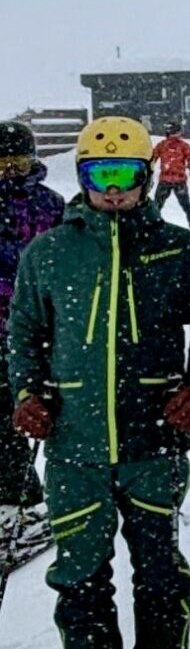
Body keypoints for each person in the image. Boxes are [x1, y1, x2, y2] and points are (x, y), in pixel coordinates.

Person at [7, 116, 190, 649]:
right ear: (82, 178)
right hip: (74, 445)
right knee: (78, 571)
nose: (114, 189)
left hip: (151, 441)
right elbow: (24, 334)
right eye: (100, 175)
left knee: (156, 565)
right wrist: (28, 393)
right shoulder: (49, 252)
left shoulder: (179, 250)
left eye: (126, 174)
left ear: (146, 175)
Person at [0, 121, 65, 550]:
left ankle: (26, 498)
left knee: (22, 410)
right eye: (2, 163)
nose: (9, 172)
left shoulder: (50, 205)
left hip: (34, 328)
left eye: (17, 162)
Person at [150, 121, 190, 231]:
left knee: (160, 205)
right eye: (177, 132)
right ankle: (152, 226)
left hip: (175, 180)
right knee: (162, 205)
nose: (179, 134)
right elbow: (153, 157)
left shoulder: (180, 145)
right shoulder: (165, 145)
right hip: (170, 180)